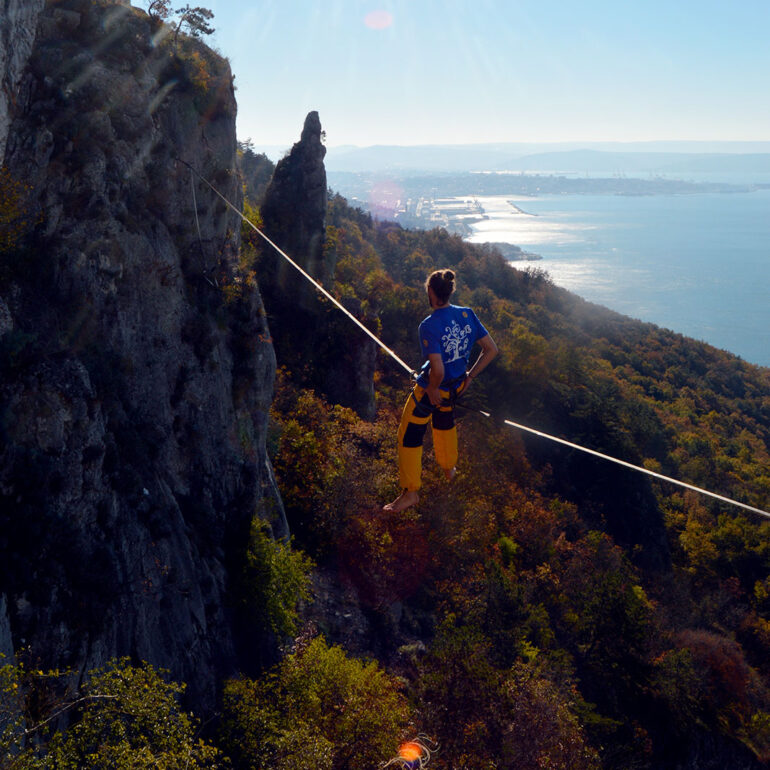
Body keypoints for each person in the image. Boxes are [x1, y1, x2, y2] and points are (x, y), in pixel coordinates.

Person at [383, 269, 498, 513]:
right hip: (456, 386)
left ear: (431, 292)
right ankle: (449, 467)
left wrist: (433, 387)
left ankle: (410, 491)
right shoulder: (467, 314)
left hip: (434, 389)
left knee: (409, 433)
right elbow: (491, 349)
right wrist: (470, 376)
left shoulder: (429, 325)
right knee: (444, 421)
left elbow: (437, 368)